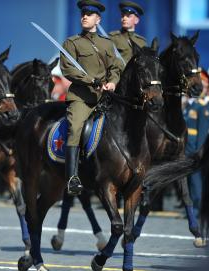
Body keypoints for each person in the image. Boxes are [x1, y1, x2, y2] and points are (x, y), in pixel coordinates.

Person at [60, 0, 123, 196]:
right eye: (83, 14)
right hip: (81, 97)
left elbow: (115, 68)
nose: (84, 16)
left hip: (105, 97)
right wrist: (91, 80)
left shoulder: (107, 44)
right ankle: (72, 177)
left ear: (98, 19)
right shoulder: (72, 42)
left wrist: (113, 81)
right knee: (75, 128)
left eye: (89, 14)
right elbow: (67, 69)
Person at [184, 77, 209, 218]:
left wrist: (199, 151)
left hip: (195, 150)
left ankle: (199, 209)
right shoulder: (189, 105)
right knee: (191, 181)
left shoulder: (201, 106)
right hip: (187, 149)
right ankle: (192, 209)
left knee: (196, 181)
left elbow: (203, 131)